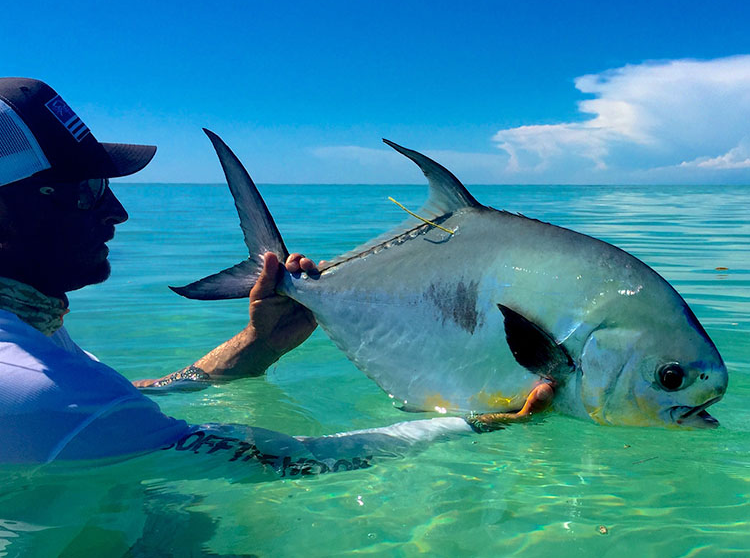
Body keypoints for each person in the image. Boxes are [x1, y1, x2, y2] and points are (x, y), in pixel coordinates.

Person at [0, 78, 551, 469]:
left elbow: (133, 400)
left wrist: (256, 345)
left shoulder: (34, 347)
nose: (116, 210)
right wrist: (478, 422)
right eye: (86, 190)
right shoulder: (52, 394)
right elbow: (289, 464)